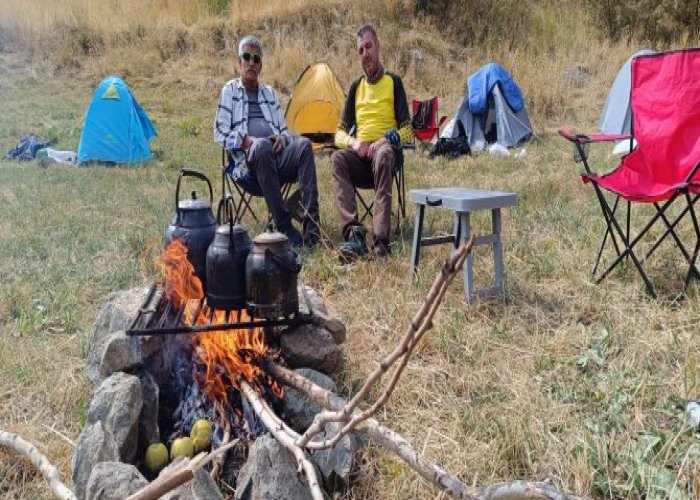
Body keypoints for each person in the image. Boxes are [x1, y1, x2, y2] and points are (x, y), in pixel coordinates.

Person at [214, 35, 320, 247]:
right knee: (261, 146)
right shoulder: (230, 90)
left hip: (277, 159)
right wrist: (246, 142)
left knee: (305, 145)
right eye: (247, 57)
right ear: (239, 62)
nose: (251, 63)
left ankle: (312, 228)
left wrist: (282, 137)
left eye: (256, 59)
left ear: (261, 65)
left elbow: (283, 130)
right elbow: (219, 133)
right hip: (249, 165)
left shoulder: (269, 93)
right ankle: (284, 225)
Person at [331, 24, 413, 260]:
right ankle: (355, 236)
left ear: (378, 47)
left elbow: (408, 130)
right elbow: (339, 133)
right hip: (361, 157)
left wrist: (385, 139)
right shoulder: (356, 87)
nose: (365, 53)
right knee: (337, 158)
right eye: (360, 50)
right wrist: (354, 144)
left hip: (385, 154)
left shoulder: (394, 82)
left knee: (384, 154)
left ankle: (381, 242)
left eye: (368, 46)